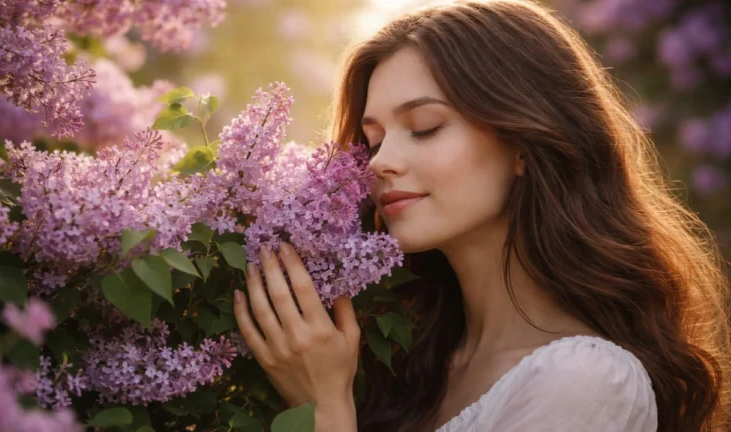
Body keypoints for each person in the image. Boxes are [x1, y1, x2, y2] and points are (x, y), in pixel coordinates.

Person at [232, 0, 731, 431]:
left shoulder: (585, 381)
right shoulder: (394, 364)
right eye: (374, 139)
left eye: (425, 126)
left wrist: (322, 412)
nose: (380, 162)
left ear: (523, 144)